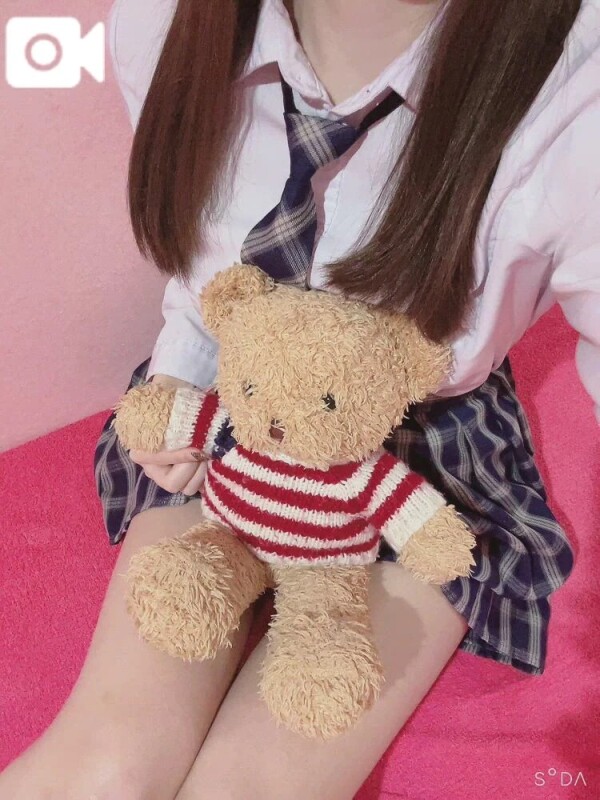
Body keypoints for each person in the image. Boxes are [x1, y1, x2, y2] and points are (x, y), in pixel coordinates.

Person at [2, 0, 598, 797]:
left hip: (422, 452)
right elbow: (205, 277)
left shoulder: (577, 86)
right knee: (105, 761)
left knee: (251, 786)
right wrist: (179, 379)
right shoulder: (164, 21)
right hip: (238, 406)